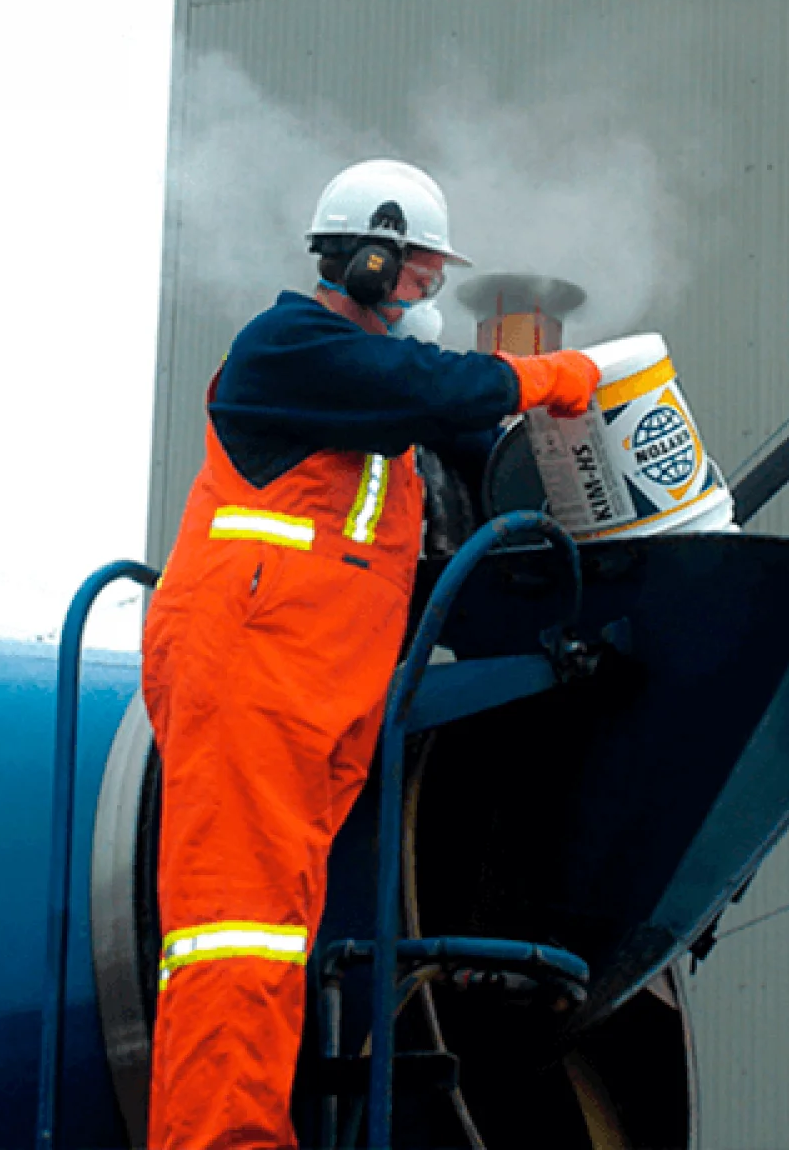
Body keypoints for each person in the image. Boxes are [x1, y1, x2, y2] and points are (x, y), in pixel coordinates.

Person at [142, 159, 600, 1150]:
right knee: (237, 940)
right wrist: (549, 376)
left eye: (433, 282)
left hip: (315, 695)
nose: (420, 298)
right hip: (250, 675)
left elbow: (436, 435)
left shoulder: (374, 437)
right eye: (416, 275)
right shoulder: (289, 347)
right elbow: (430, 389)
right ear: (361, 254)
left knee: (277, 944)